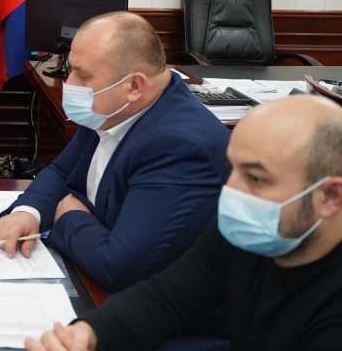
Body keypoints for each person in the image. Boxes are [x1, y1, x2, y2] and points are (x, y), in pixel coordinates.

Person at [27, 95, 342, 351]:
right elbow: (165, 300)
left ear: (330, 196)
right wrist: (86, 334)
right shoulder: (245, 232)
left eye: (256, 179)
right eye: (233, 168)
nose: (230, 190)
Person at [0, 12, 230, 292]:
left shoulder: (178, 147)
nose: (69, 85)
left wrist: (68, 216)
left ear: (135, 86)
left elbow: (118, 267)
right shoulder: (113, 108)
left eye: (83, 75)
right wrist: (27, 213)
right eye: (71, 69)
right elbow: (62, 171)